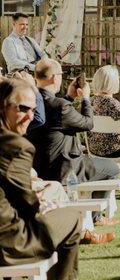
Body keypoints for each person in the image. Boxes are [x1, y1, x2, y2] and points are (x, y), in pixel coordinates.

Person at [0, 78, 81, 279]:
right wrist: (41, 205)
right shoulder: (15, 146)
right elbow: (27, 204)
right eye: (23, 108)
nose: (30, 116)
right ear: (3, 106)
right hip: (10, 245)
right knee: (73, 218)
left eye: (33, 109)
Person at [27, 58, 120, 227]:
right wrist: (85, 98)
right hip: (65, 169)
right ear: (55, 78)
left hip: (37, 167)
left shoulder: (30, 102)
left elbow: (56, 119)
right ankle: (96, 218)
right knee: (111, 168)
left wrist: (69, 96)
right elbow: (88, 123)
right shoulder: (60, 105)